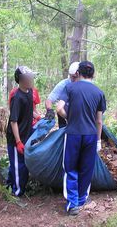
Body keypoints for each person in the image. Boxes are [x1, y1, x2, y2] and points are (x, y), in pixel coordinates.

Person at [56, 61, 106, 216]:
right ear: (94, 74)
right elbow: (99, 121)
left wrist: (69, 118)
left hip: (73, 134)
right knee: (86, 168)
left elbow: (59, 108)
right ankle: (82, 199)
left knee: (70, 168)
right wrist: (98, 140)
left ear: (78, 73)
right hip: (91, 135)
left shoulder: (70, 87)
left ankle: (72, 205)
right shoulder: (99, 92)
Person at [6, 66, 36, 196]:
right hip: (16, 137)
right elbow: (13, 121)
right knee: (18, 165)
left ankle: (10, 183)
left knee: (22, 164)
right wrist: (18, 141)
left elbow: (30, 112)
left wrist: (39, 117)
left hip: (26, 134)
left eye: (31, 77)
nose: (31, 80)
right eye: (28, 78)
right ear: (21, 80)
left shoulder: (30, 93)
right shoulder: (17, 97)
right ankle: (17, 192)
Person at [45, 62, 80, 127]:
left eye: (75, 77)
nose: (73, 79)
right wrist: (49, 110)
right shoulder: (63, 85)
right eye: (71, 77)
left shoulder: (86, 86)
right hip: (64, 118)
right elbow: (49, 100)